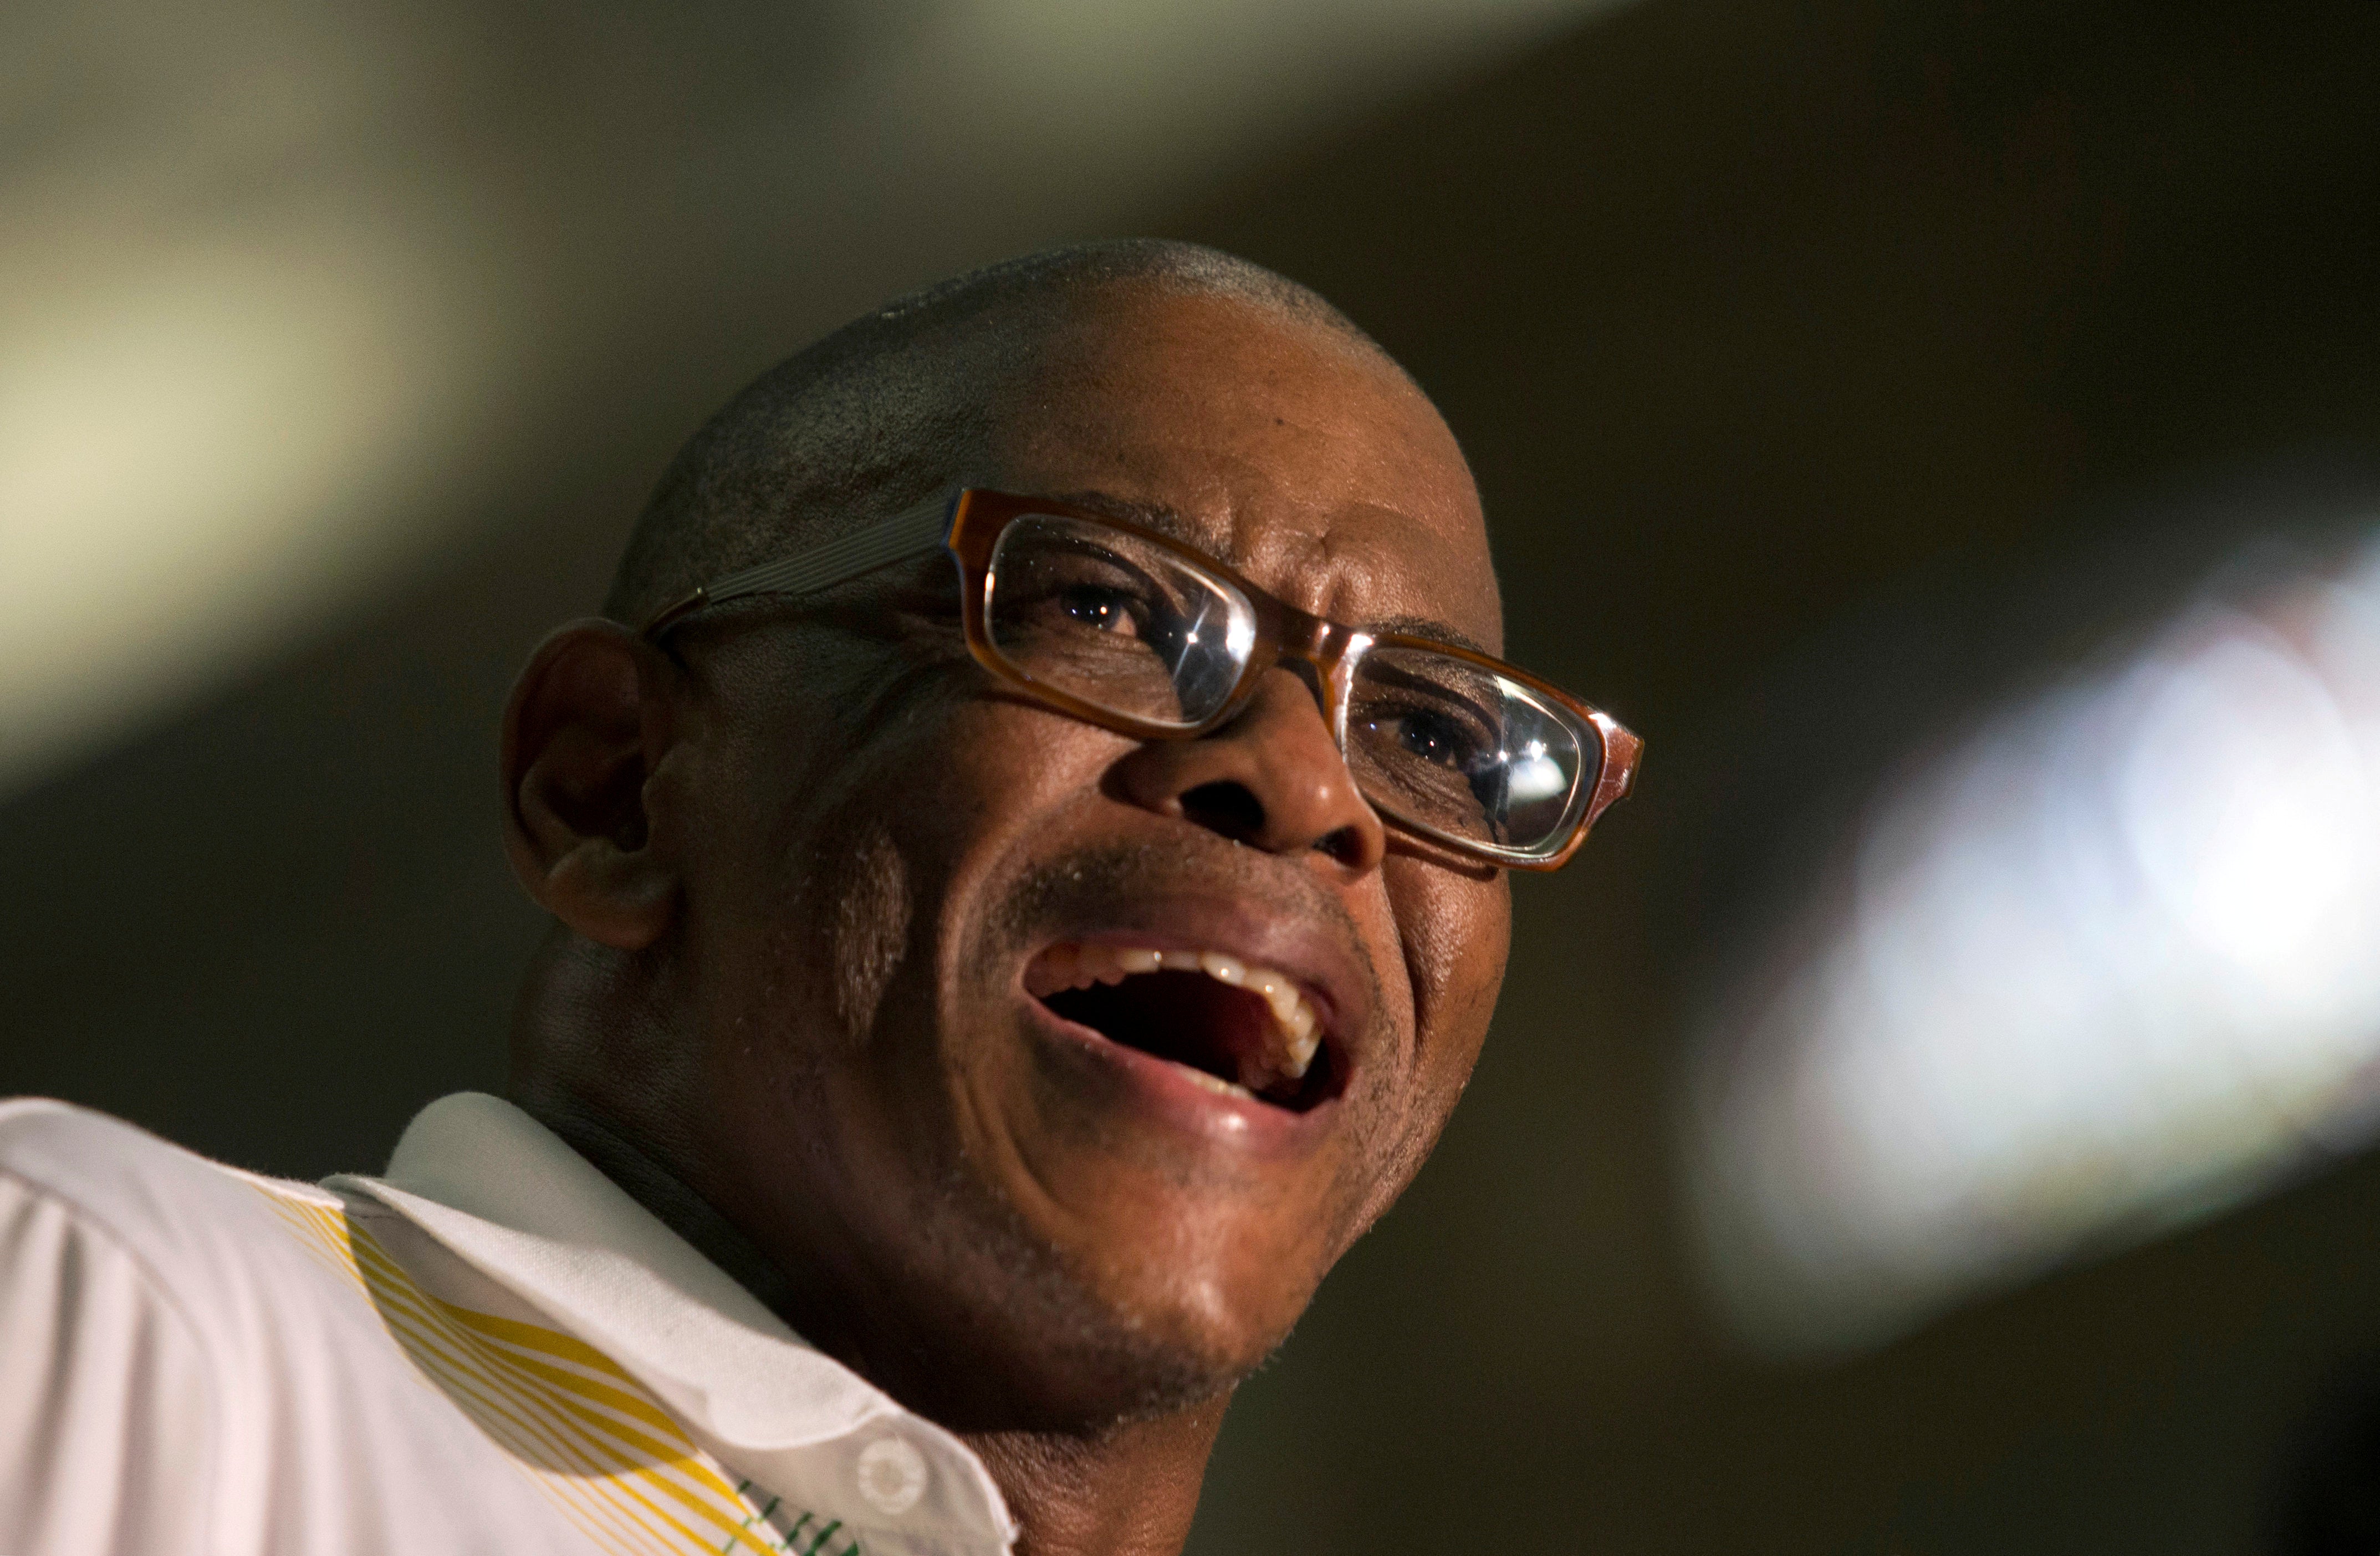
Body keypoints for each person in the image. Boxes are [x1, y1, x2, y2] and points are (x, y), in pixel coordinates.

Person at [0, 240, 1638, 1556]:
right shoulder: (134, 1327)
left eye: (1437, 737)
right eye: (1106, 608)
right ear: (611, 789)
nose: (1307, 786)